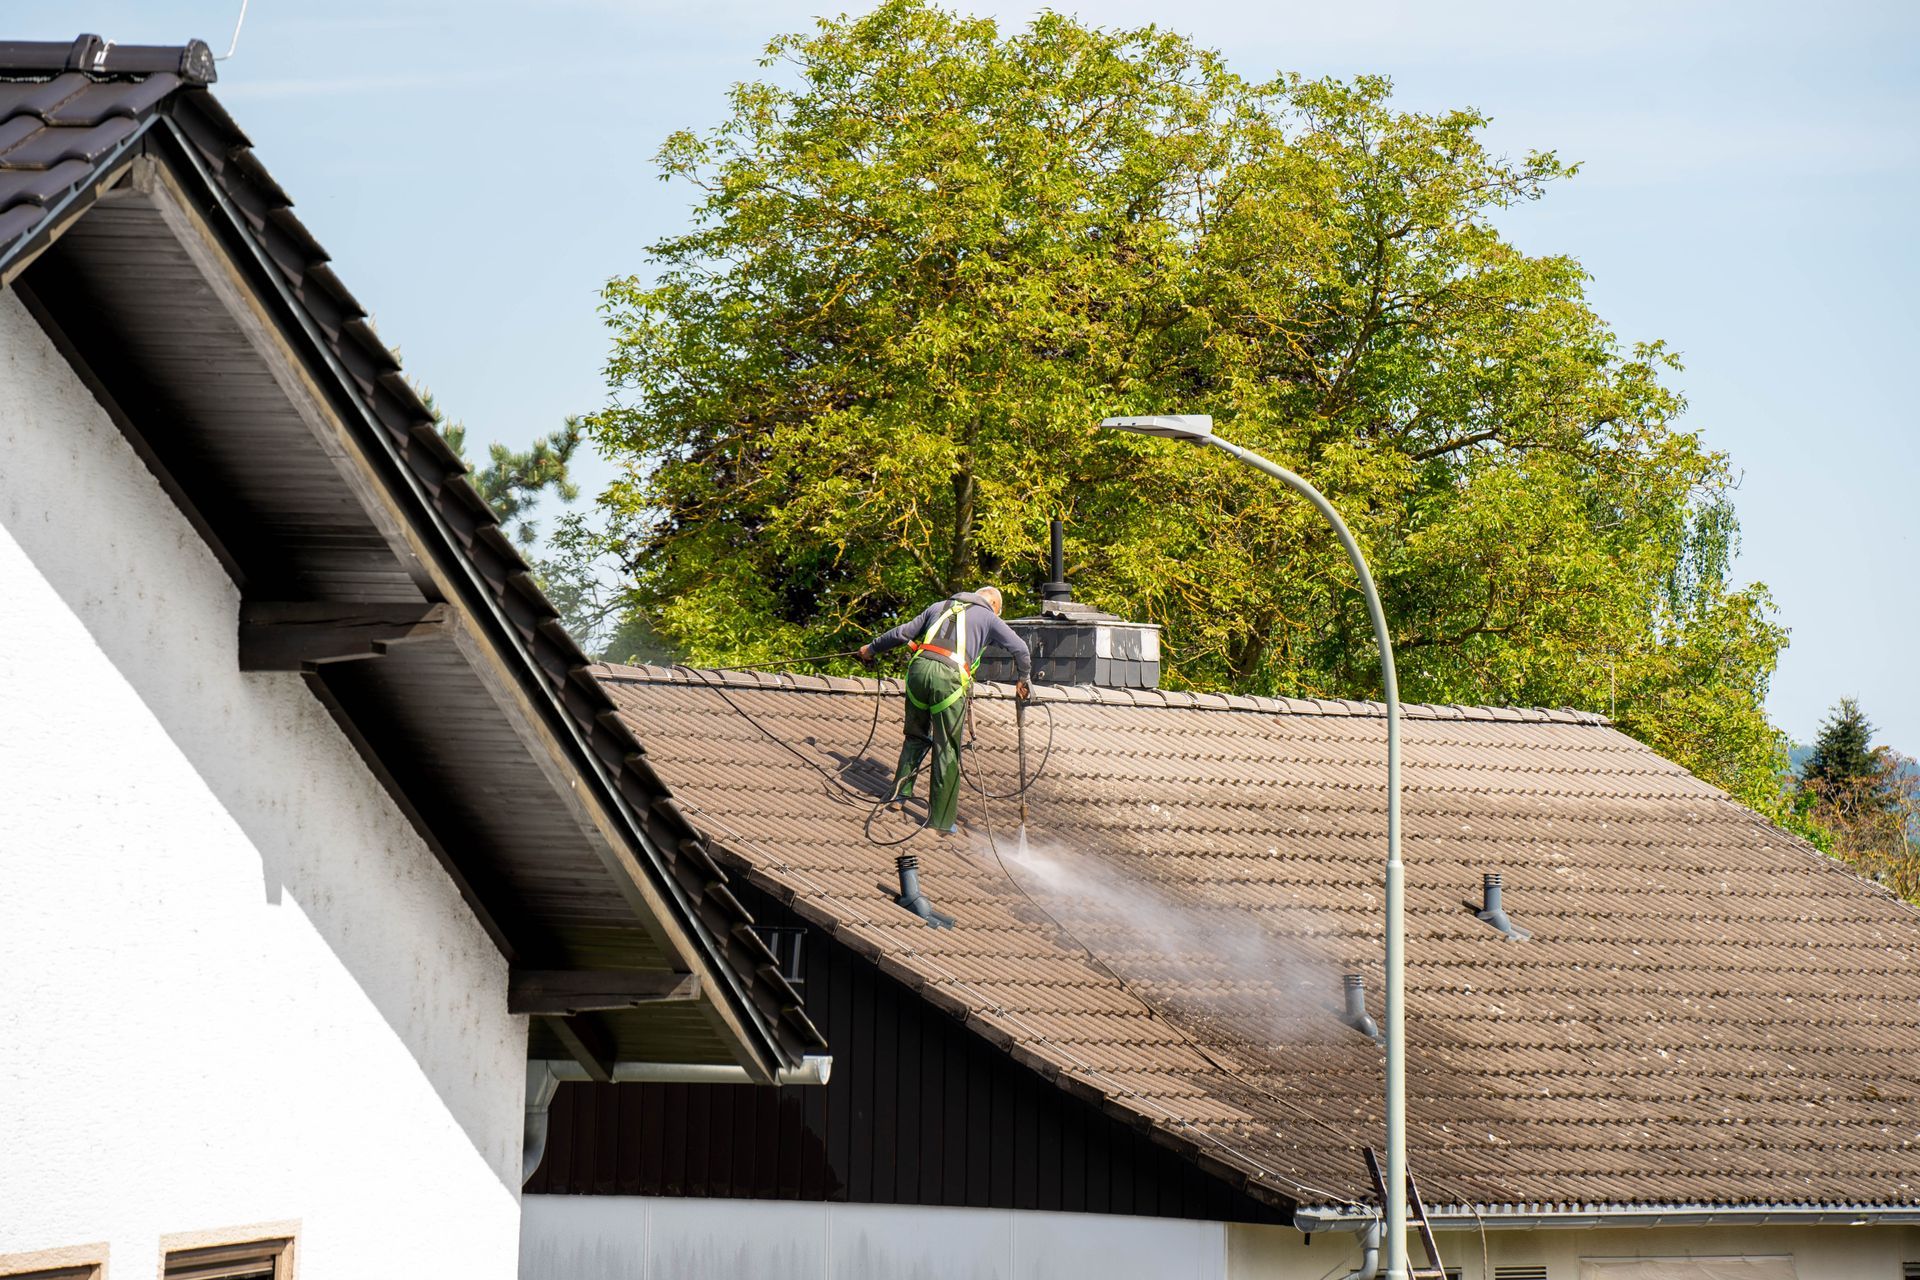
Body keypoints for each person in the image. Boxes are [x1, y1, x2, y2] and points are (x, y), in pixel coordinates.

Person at [859, 586, 1032, 835]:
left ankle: (896, 796)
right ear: (994, 605)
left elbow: (901, 633)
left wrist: (870, 649)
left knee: (915, 736)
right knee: (946, 747)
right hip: (947, 679)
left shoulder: (937, 606)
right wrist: (1022, 679)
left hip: (917, 673)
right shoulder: (988, 617)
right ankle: (940, 820)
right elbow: (1021, 649)